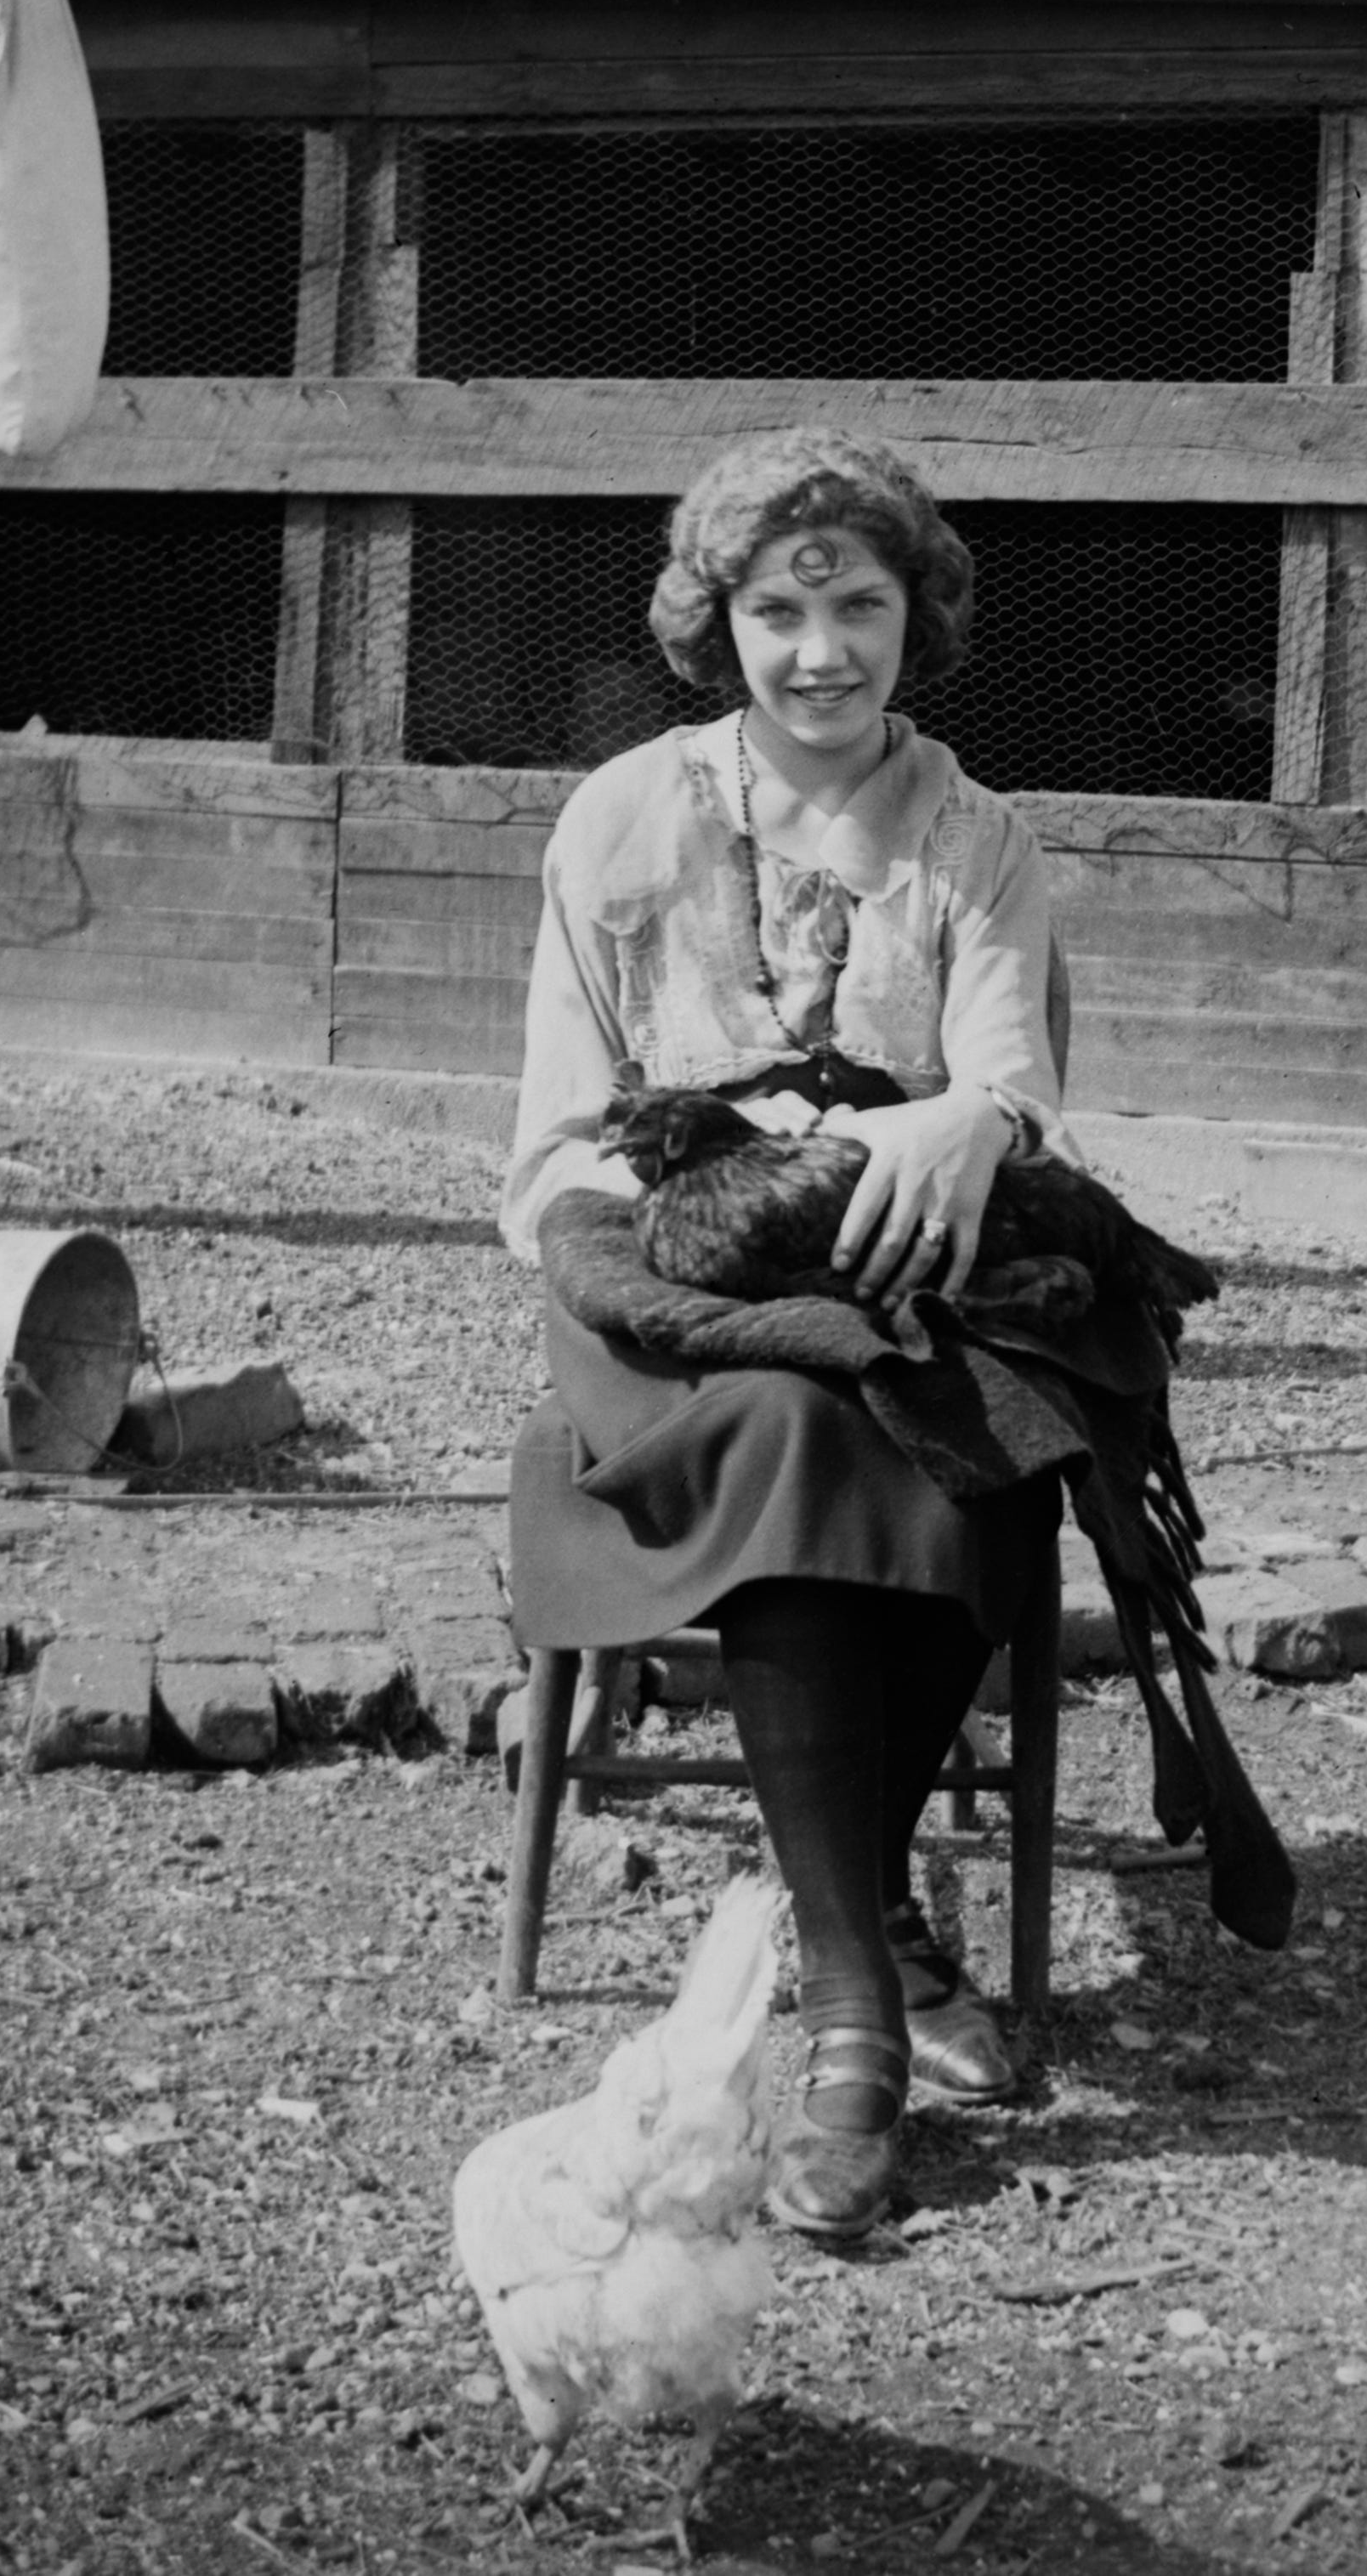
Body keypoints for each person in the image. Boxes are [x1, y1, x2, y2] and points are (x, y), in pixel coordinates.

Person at [500, 427, 1066, 2244]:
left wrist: (961, 1123)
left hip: (895, 1280)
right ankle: (856, 2019)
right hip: (659, 1289)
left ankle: (847, 1940)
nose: (822, 649)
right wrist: (724, 1186)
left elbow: (1012, 1091)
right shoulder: (622, 819)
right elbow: (556, 1141)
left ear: (919, 618)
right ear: (717, 622)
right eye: (780, 609)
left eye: (860, 605)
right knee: (804, 1420)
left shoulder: (976, 841)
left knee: (933, 1425)